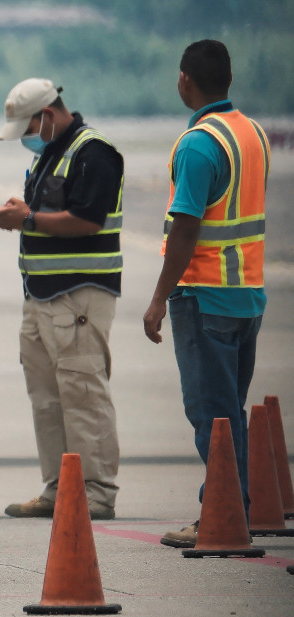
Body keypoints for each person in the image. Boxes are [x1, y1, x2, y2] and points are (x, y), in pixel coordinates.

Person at [143, 40, 269, 548]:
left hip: (205, 296)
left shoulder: (198, 144)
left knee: (210, 419)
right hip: (247, 296)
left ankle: (222, 518)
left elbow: (185, 230)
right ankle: (228, 507)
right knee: (228, 413)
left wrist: (157, 301)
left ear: (184, 80)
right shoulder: (251, 133)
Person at [0, 79, 124, 521]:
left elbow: (88, 220)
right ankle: (58, 487)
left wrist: (27, 218)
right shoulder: (50, 152)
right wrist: (24, 214)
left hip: (78, 296)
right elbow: (45, 214)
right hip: (41, 295)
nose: (25, 137)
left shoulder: (94, 152)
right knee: (46, 398)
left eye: (27, 127)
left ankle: (97, 492)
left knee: (83, 393)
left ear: (47, 114)